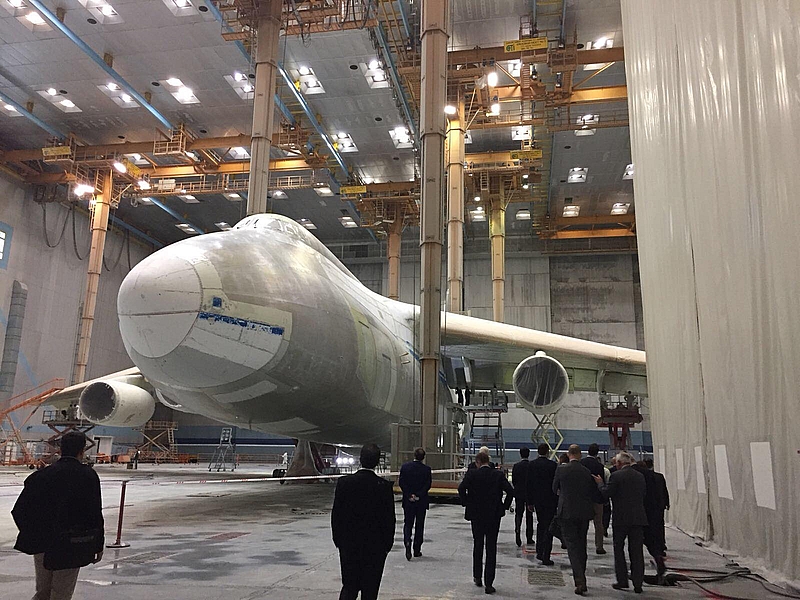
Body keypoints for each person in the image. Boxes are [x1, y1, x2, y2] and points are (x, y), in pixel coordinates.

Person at [12, 431, 104, 600]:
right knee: (61, 594)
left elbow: (19, 510)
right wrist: (98, 544)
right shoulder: (88, 476)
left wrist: (32, 534)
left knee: (43, 592)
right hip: (71, 544)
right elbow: (94, 513)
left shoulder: (41, 476)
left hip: (43, 543)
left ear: (60, 449)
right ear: (82, 451)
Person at [331, 444, 395, 600]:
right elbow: (389, 520)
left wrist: (339, 541)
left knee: (349, 588)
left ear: (360, 459)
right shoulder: (384, 487)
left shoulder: (344, 483)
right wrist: (386, 546)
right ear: (378, 462)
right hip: (375, 548)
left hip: (349, 545)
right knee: (370, 591)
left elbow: (336, 515)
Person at [458, 451, 513, 595]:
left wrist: (466, 503)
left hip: (476, 515)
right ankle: (489, 583)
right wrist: (504, 506)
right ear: (488, 461)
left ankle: (477, 576)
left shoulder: (472, 474)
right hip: (493, 515)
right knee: (491, 547)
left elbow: (461, 488)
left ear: (477, 462)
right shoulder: (498, 475)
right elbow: (510, 491)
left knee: (478, 544)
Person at [593, 452, 647, 594]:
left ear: (619, 463)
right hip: (638, 518)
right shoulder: (640, 476)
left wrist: (600, 484)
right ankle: (638, 583)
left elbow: (607, 493)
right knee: (637, 551)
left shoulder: (616, 476)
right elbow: (643, 494)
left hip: (621, 518)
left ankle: (622, 580)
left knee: (619, 549)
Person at [553, 444, 601, 596]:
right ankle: (582, 574)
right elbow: (591, 491)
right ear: (580, 455)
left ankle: (580, 580)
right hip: (583, 512)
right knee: (582, 545)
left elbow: (554, 488)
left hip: (567, 512)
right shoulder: (586, 471)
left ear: (568, 454)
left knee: (572, 546)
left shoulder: (561, 470)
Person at [632, 461, 667, 581]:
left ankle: (637, 572)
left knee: (636, 544)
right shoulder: (656, 476)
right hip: (655, 511)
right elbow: (663, 492)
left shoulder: (637, 476)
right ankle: (659, 554)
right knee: (653, 537)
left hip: (640, 513)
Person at [526, 443, 558, 565]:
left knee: (540, 525)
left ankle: (539, 551)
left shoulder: (532, 465)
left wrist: (530, 502)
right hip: (550, 500)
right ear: (548, 452)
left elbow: (529, 484)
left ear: (538, 451)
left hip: (537, 500)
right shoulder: (553, 465)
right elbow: (556, 484)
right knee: (549, 527)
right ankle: (546, 555)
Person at [398, 447, 432, 561]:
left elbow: (402, 482)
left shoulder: (405, 467)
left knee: (408, 523)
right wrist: (418, 495)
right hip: (421, 501)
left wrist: (409, 495)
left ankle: (407, 542)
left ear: (414, 455)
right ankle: (417, 549)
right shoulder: (427, 469)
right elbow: (427, 485)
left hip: (408, 501)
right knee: (419, 524)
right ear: (423, 457)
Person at [580, 443, 607, 555]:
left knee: (583, 523)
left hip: (584, 497)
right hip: (596, 497)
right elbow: (601, 481)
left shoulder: (581, 463)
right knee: (598, 523)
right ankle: (599, 546)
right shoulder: (599, 466)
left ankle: (582, 545)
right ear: (597, 453)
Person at [645, 458, 670, 554]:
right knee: (660, 525)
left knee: (651, 525)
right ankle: (661, 543)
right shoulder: (659, 476)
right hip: (660, 504)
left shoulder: (645, 477)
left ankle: (654, 544)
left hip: (649, 505)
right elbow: (664, 490)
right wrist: (667, 502)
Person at [511, 447, 533, 547]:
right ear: (528, 454)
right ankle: (529, 537)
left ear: (520, 454)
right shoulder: (531, 466)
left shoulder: (516, 466)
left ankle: (517, 532)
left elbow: (514, 480)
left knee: (518, 514)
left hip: (519, 493)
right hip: (529, 493)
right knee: (529, 515)